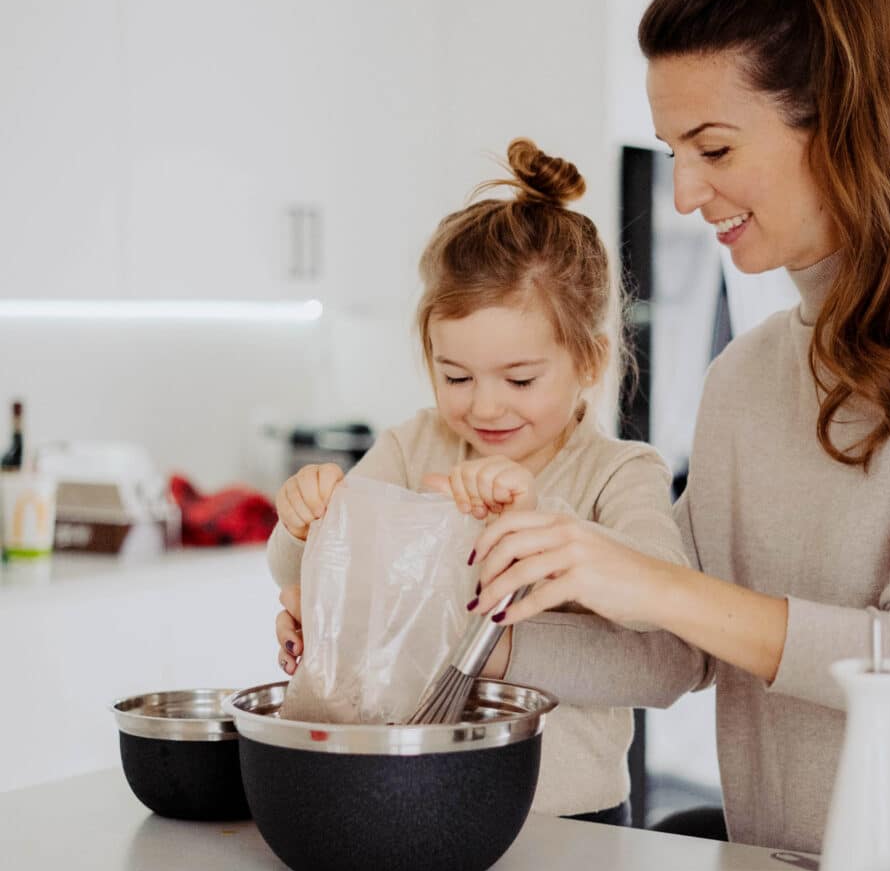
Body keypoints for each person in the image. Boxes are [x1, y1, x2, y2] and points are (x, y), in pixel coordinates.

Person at [467, 0, 890, 857]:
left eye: (715, 149)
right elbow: (674, 651)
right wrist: (448, 631)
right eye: (677, 153)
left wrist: (647, 579)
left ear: (840, 117)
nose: (685, 194)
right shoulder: (746, 375)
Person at [267, 137, 695, 825]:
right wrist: (304, 520)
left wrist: (540, 522)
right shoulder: (415, 446)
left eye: (520, 379)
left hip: (570, 824)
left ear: (589, 361)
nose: (484, 407)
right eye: (455, 377)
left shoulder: (618, 473)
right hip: (413, 799)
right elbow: (297, 570)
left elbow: (660, 615)